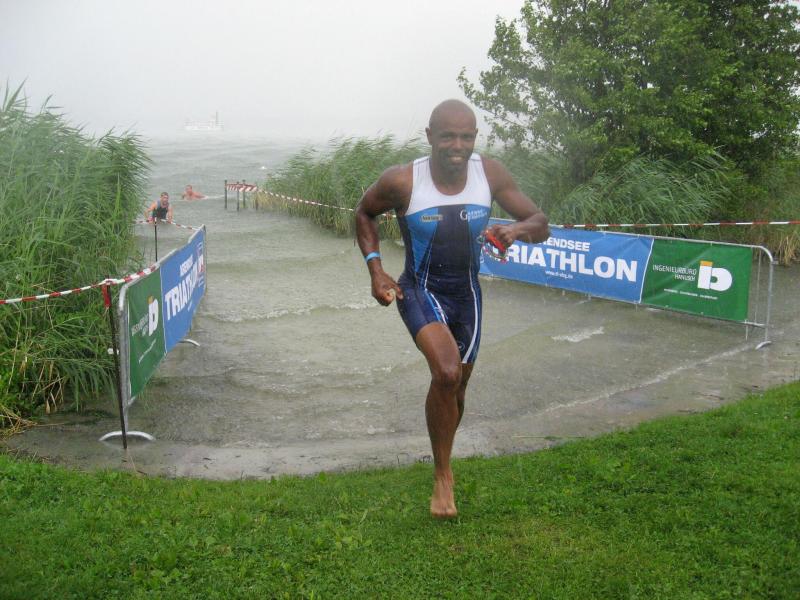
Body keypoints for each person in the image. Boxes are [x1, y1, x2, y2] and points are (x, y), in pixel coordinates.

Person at [355, 99, 549, 519]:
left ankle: (443, 452)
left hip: (468, 296)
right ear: (430, 137)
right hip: (419, 290)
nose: (457, 145)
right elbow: (364, 213)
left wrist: (516, 229)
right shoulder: (403, 180)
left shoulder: (489, 174)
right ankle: (443, 476)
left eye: (466, 136)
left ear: (475, 137)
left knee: (457, 388)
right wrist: (376, 270)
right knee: (446, 372)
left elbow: (541, 223)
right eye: (447, 136)